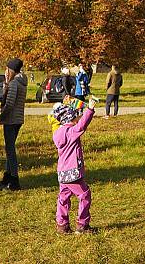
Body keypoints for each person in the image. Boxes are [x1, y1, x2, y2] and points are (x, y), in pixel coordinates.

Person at [50, 96, 99, 234]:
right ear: (70, 118)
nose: (77, 118)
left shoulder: (58, 132)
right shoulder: (71, 132)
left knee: (63, 197)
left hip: (62, 172)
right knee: (84, 195)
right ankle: (82, 225)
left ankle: (62, 225)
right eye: (75, 117)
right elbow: (82, 124)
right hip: (72, 172)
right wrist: (90, 109)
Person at [0, 58, 27, 191]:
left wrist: (2, 116)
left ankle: (14, 180)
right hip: (18, 119)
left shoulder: (15, 83)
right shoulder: (21, 81)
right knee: (9, 148)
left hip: (11, 120)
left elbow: (9, 103)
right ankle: (7, 176)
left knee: (10, 151)